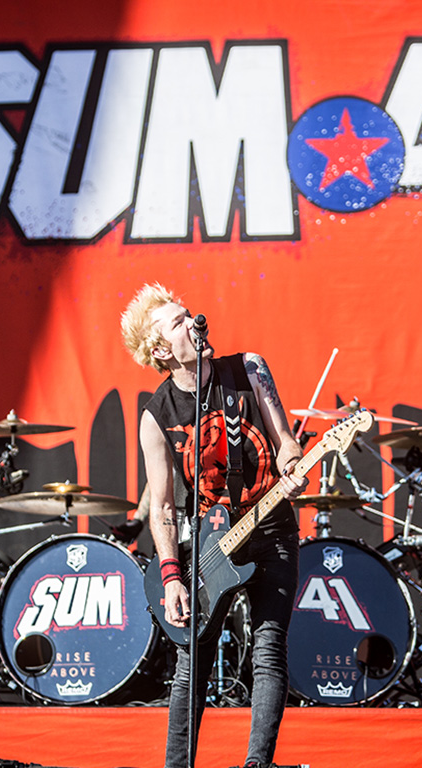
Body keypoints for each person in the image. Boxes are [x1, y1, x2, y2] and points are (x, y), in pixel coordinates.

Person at [120, 283, 307, 768]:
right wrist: (171, 578)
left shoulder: (249, 369)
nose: (194, 321)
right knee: (192, 665)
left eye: (189, 313)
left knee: (269, 648)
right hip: (207, 545)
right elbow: (162, 506)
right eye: (178, 322)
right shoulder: (157, 415)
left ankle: (257, 763)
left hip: (271, 528)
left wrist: (293, 466)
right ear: (161, 350)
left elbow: (285, 441)